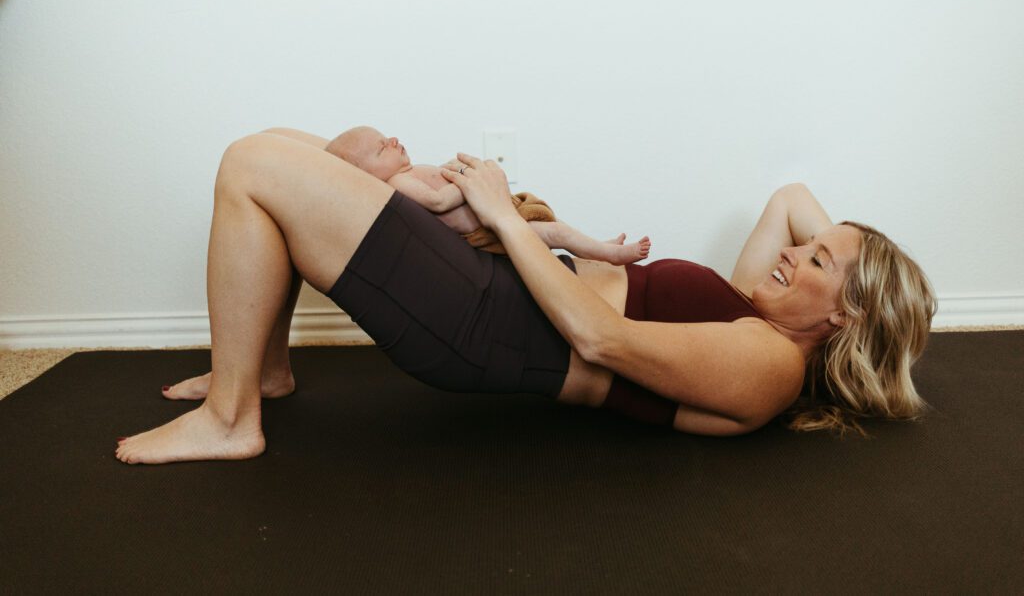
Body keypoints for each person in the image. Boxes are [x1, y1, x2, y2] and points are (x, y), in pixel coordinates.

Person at [116, 128, 937, 464]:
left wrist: (507, 215)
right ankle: (260, 373)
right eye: (807, 248)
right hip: (497, 296)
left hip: (487, 326)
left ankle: (231, 419)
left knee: (255, 166)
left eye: (815, 261)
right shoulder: (752, 307)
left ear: (843, 316)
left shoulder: (769, 363)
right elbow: (791, 195)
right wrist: (862, 274)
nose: (793, 251)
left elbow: (602, 341)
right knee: (314, 152)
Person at [324, 125, 651, 265]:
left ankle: (596, 245)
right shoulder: (398, 183)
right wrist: (467, 178)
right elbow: (438, 202)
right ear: (367, 175)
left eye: (387, 136)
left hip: (498, 210)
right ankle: (605, 254)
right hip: (486, 229)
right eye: (383, 147)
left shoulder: (407, 174)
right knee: (554, 232)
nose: (394, 140)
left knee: (553, 224)